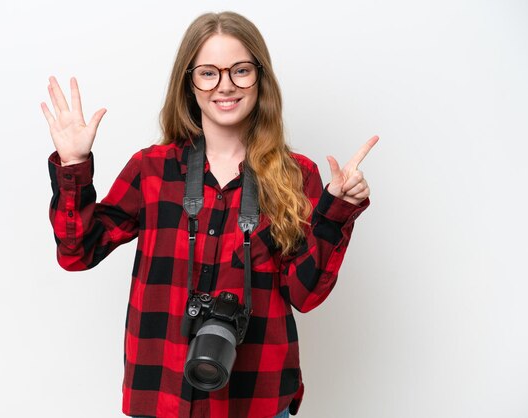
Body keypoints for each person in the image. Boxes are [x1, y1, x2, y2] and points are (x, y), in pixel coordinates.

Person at [41, 11, 377, 418]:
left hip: (257, 401)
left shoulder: (296, 175)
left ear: (260, 78)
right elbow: (77, 253)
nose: (225, 86)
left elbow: (305, 296)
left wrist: (336, 209)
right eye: (208, 73)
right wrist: (73, 163)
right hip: (163, 394)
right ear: (189, 83)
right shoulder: (152, 169)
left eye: (240, 70)